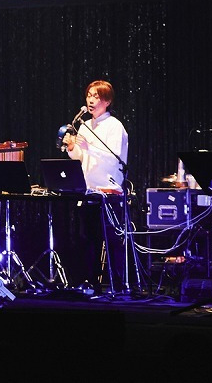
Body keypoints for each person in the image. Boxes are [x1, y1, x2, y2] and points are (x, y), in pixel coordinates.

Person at [58, 81, 130, 289]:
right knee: (89, 239)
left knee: (112, 241)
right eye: (89, 95)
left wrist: (89, 147)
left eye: (96, 97)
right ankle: (91, 283)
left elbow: (114, 157)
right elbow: (80, 157)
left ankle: (118, 286)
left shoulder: (114, 125)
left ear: (107, 101)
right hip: (89, 191)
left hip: (109, 192)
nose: (91, 100)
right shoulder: (85, 125)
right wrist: (72, 147)